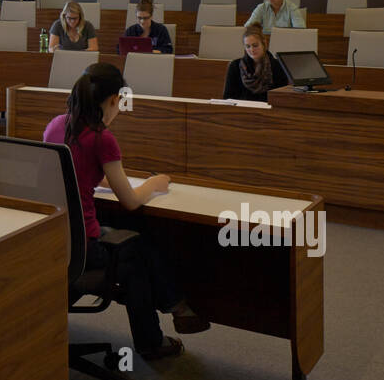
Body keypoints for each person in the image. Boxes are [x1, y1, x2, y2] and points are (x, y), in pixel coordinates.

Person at [43, 63, 208, 359]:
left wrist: (104, 180)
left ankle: (173, 314)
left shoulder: (57, 124)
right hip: (83, 248)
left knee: (133, 246)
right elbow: (131, 202)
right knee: (135, 252)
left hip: (52, 238)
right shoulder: (102, 138)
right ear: (113, 100)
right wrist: (154, 184)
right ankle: (161, 329)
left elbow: (74, 172)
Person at [222, 24, 287, 102]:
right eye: (248, 46)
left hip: (268, 110)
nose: (252, 50)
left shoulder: (278, 66)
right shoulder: (235, 66)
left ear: (264, 44)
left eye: (255, 45)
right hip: (241, 110)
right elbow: (228, 97)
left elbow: (281, 97)